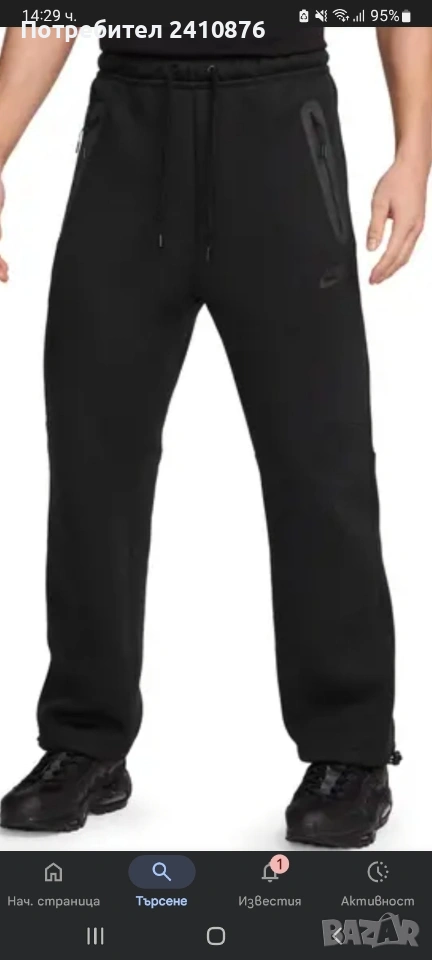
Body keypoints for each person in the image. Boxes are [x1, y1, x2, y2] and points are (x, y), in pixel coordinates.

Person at [0, 19, 430, 846]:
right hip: (129, 126)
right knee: (93, 451)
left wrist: (414, 154)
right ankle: (85, 740)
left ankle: (351, 752)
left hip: (280, 124)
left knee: (320, 457)